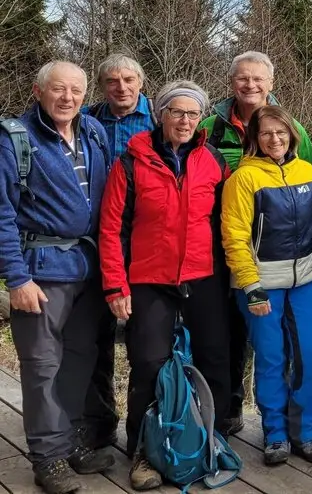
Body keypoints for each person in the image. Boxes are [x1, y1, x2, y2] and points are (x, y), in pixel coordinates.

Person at [97, 80, 232, 491]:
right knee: (149, 366)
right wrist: (115, 285)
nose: (185, 120)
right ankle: (144, 451)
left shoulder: (211, 160)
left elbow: (226, 224)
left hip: (203, 275)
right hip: (149, 278)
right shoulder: (132, 162)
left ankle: (209, 440)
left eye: (193, 114)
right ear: (161, 115)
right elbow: (110, 228)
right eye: (177, 112)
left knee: (215, 361)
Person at [0, 61, 115, 494]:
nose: (68, 98)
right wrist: (15, 278)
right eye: (58, 89)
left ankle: (70, 444)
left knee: (79, 361)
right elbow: (2, 214)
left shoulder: (94, 133)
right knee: (42, 367)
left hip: (88, 270)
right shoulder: (15, 139)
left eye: (77, 90)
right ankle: (47, 458)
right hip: (40, 273)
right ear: (37, 90)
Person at [199, 50, 312, 435]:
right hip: (232, 255)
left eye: (258, 79)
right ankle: (235, 414)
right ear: (231, 82)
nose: (250, 86)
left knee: (299, 353)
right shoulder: (209, 128)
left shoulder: (295, 138)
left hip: (293, 263)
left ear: (271, 83)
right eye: (242, 79)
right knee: (233, 339)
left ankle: (301, 430)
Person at [221, 105, 312, 466]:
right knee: (271, 357)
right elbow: (234, 235)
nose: (275, 139)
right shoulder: (244, 178)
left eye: (281, 132)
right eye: (266, 133)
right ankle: (275, 433)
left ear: (292, 134)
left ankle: (306, 432)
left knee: (308, 357)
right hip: (262, 283)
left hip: (305, 278)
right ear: (254, 137)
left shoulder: (306, 171)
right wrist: (250, 284)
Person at [79, 53, 156, 452]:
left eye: (128, 79)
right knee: (95, 335)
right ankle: (100, 422)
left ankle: (153, 425)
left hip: (145, 239)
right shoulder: (87, 121)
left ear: (141, 83)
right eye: (112, 81)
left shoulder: (160, 119)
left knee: (151, 339)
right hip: (97, 237)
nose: (121, 87)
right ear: (102, 85)